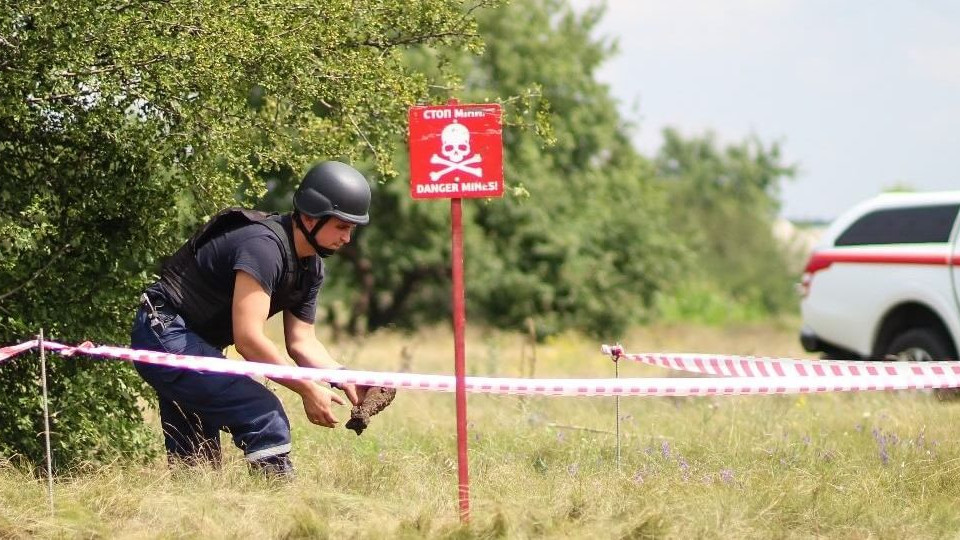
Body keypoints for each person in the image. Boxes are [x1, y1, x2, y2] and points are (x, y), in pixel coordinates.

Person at [129, 160, 371, 477]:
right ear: (311, 217)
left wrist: (345, 377)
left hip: (195, 343)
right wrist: (309, 389)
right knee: (263, 414)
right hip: (164, 332)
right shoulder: (264, 248)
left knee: (197, 465)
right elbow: (248, 340)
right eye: (341, 226)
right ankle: (280, 514)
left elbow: (302, 342)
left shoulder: (311, 267)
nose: (347, 238)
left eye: (352, 229)